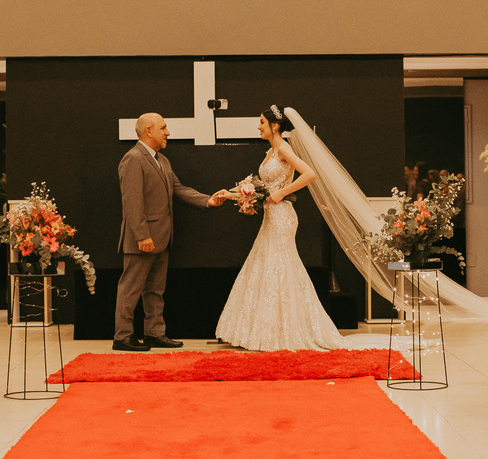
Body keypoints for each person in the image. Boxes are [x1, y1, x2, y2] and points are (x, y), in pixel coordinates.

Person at [215, 106, 344, 350]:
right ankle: (268, 330)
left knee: (280, 266)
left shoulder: (284, 148)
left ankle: (285, 330)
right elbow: (260, 189)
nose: (259, 126)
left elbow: (310, 174)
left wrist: (283, 192)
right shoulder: (271, 152)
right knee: (267, 266)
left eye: (262, 122)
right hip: (271, 215)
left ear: (274, 126)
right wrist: (231, 195)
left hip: (282, 216)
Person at [114, 112, 228, 351]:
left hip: (162, 238)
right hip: (143, 239)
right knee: (130, 288)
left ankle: (154, 333)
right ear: (148, 131)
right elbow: (132, 202)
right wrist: (142, 235)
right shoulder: (133, 158)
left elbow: (178, 188)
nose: (168, 132)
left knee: (155, 290)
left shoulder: (162, 160)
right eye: (163, 128)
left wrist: (208, 201)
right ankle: (122, 336)